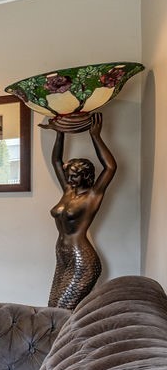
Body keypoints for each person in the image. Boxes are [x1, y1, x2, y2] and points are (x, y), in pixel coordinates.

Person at [47, 112, 116, 308]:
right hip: (62, 254)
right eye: (69, 175)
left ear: (86, 177)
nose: (70, 179)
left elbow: (110, 167)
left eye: (75, 176)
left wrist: (95, 136)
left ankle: (69, 339)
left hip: (82, 260)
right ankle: (69, 338)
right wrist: (60, 133)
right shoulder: (68, 191)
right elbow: (57, 162)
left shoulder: (93, 195)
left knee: (61, 311)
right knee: (53, 309)